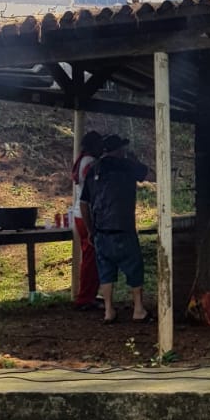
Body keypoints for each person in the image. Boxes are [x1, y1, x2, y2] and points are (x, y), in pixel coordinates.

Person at [79, 133, 150, 324]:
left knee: (105, 271)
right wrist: (135, 160)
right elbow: (148, 174)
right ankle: (138, 309)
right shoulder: (127, 165)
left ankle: (109, 310)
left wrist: (90, 229)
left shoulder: (93, 169)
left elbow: (84, 203)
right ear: (119, 150)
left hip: (101, 229)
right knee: (134, 268)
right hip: (124, 227)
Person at [70, 130, 104, 308]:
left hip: (80, 214)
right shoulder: (90, 162)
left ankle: (89, 294)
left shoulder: (82, 159)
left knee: (91, 257)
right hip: (86, 215)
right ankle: (85, 298)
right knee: (91, 259)